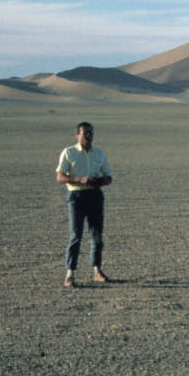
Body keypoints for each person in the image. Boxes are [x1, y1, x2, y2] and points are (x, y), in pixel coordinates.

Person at [56, 121, 112, 287]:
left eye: (90, 133)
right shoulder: (69, 152)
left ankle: (97, 270)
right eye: (85, 133)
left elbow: (109, 176)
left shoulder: (99, 154)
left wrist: (100, 181)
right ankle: (70, 274)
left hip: (95, 195)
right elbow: (60, 177)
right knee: (75, 235)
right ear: (77, 135)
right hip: (76, 196)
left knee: (97, 235)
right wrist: (80, 179)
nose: (88, 136)